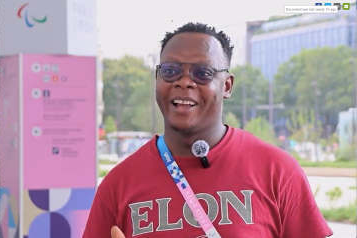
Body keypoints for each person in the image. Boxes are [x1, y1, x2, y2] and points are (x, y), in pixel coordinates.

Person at [82, 22, 333, 238]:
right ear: (157, 80)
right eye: (171, 71)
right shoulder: (118, 184)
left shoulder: (277, 171)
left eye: (203, 73)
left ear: (227, 85)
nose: (184, 81)